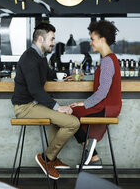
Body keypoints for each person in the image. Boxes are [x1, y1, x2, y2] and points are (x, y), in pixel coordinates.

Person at [11, 22, 80, 180]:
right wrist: (58, 107)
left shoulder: (40, 56)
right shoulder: (29, 57)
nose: (54, 43)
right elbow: (35, 89)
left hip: (34, 104)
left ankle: (52, 159)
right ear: (41, 39)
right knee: (73, 123)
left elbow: (48, 73)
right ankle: (47, 158)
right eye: (52, 39)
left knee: (62, 121)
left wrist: (61, 77)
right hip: (25, 108)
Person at [69, 20, 122, 169]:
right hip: (108, 106)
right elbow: (103, 81)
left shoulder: (107, 61)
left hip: (106, 107)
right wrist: (79, 77)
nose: (91, 43)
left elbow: (103, 91)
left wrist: (83, 103)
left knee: (68, 113)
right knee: (70, 113)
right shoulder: (110, 59)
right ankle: (92, 154)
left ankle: (92, 152)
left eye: (93, 39)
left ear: (102, 39)